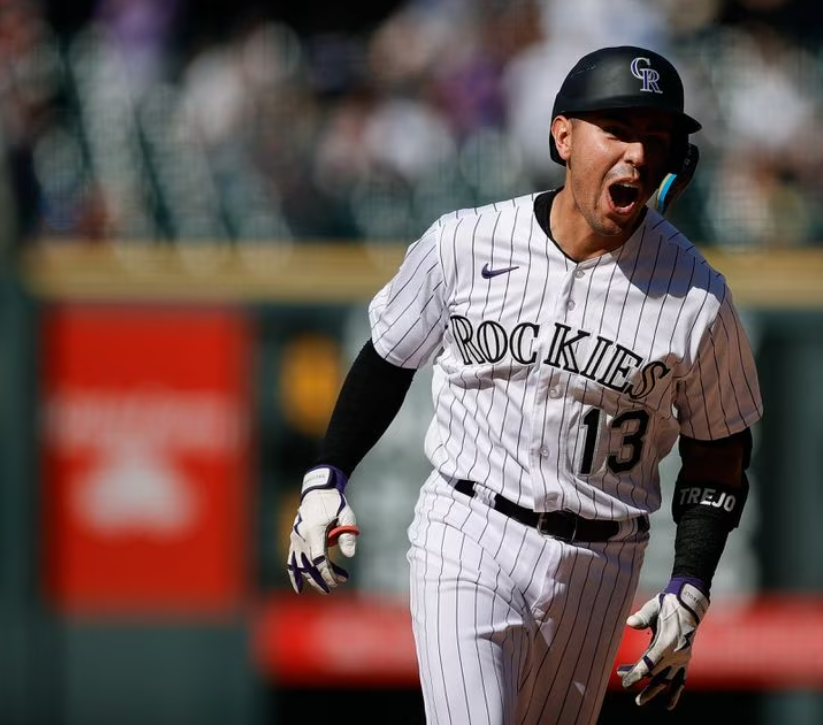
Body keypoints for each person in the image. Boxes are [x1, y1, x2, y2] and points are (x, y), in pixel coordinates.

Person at [286, 45, 763, 724]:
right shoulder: (466, 243)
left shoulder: (696, 298)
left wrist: (690, 582)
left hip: (603, 560)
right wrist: (326, 475)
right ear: (562, 135)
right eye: (618, 130)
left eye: (655, 139)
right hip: (469, 526)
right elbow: (389, 357)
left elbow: (720, 449)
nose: (637, 153)